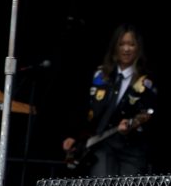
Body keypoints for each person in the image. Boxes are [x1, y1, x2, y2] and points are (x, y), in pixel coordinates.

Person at [62, 24, 157, 177]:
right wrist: (74, 136)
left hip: (132, 148)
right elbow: (85, 108)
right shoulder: (101, 75)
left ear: (138, 48)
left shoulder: (146, 79)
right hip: (102, 144)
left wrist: (131, 124)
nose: (126, 49)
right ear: (115, 47)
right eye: (122, 44)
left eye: (131, 44)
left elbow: (149, 112)